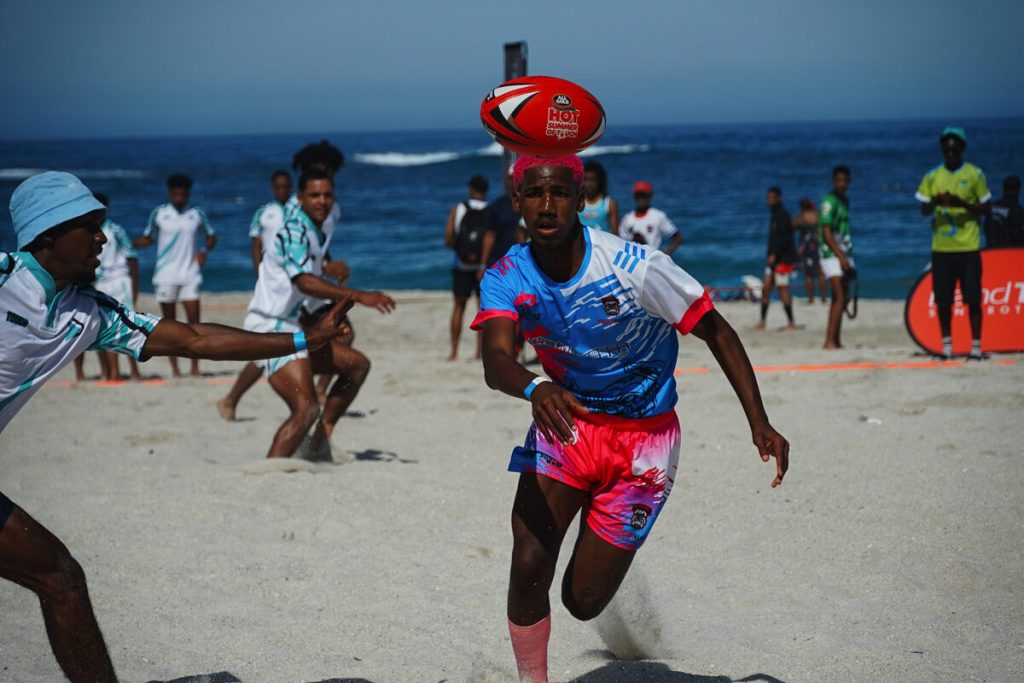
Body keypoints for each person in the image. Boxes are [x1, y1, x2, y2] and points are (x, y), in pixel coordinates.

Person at [0, 171, 355, 683]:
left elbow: (193, 340)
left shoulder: (89, 313)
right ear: (49, 233)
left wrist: (304, 340)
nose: (103, 238)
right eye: (90, 227)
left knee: (61, 579)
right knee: (60, 578)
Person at [471, 155, 789, 683]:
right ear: (517, 201)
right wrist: (535, 385)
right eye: (534, 194)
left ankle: (603, 553)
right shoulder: (507, 274)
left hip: (645, 445)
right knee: (528, 560)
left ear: (581, 200)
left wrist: (759, 421)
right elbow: (495, 360)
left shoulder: (635, 266)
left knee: (582, 600)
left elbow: (716, 330)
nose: (546, 206)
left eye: (559, 194)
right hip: (567, 423)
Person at [240, 168, 395, 458]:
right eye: (314, 195)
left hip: (293, 324)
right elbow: (304, 282)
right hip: (270, 326)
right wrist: (361, 296)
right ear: (300, 198)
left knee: (357, 365)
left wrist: (327, 273)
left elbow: (306, 279)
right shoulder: (294, 230)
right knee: (305, 409)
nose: (322, 201)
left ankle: (320, 440)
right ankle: (270, 471)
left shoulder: (315, 229)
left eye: (327, 195)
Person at [915, 127, 992, 360]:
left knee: (973, 299)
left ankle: (976, 348)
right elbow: (924, 211)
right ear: (942, 149)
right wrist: (936, 201)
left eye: (954, 149)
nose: (950, 153)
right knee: (943, 301)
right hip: (942, 249)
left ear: (962, 149)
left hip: (968, 247)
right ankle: (947, 348)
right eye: (946, 150)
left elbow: (987, 208)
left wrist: (962, 204)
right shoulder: (932, 176)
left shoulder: (975, 174)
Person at [133, 173, 217, 378]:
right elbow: (148, 237)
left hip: (190, 275)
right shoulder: (159, 213)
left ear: (188, 194)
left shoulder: (196, 213)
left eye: (183, 194)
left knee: (195, 325)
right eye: (176, 194)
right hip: (165, 276)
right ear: (169, 193)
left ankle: (195, 368)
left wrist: (204, 252)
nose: (179, 198)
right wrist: (129, 244)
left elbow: (211, 236)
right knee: (169, 327)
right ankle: (175, 369)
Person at [72, 192, 142, 382]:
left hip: (118, 281)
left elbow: (132, 257)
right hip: (97, 283)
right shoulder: (83, 233)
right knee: (99, 327)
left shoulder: (115, 230)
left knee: (129, 325)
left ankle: (131, 372)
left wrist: (134, 288)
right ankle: (108, 372)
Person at [444, 174, 489, 361]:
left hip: (461, 265)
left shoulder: (458, 208)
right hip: (483, 268)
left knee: (458, 308)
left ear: (471, 188)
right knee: (483, 311)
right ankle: (479, 352)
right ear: (486, 190)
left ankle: (454, 352)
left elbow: (448, 237)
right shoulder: (491, 210)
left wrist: (459, 249)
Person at [818, 165, 854, 349]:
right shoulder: (829, 201)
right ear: (833, 181)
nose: (842, 184)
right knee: (839, 296)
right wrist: (840, 256)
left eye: (845, 180)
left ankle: (836, 340)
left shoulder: (844, 200)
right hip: (830, 253)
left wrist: (846, 255)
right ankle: (829, 341)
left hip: (843, 252)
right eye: (838, 180)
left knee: (843, 297)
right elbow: (826, 232)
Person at [754, 187, 797, 330]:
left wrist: (775, 254)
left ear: (779, 198)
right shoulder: (775, 215)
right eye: (768, 198)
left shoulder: (782, 214)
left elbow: (785, 238)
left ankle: (791, 322)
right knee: (766, 289)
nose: (770, 200)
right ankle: (762, 322)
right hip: (773, 260)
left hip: (782, 260)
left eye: (772, 197)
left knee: (783, 290)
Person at [479, 165, 526, 278]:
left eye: (518, 178)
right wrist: (482, 264)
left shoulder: (531, 205)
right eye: (512, 178)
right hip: (500, 261)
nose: (515, 182)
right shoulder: (495, 207)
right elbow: (489, 235)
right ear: (507, 180)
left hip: (524, 262)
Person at [618, 181, 682, 255]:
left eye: (643, 195)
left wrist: (663, 256)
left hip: (651, 258)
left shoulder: (658, 216)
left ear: (650, 195)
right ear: (634, 196)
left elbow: (678, 238)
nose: (640, 198)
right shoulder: (627, 219)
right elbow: (620, 242)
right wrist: (634, 241)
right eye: (638, 195)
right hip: (632, 258)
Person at [249, 169, 293, 272]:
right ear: (273, 188)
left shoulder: (300, 211)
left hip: (296, 270)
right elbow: (256, 246)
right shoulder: (262, 213)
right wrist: (259, 273)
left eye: (285, 187)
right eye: (278, 187)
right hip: (270, 271)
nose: (282, 191)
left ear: (290, 187)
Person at [793, 198, 826, 303]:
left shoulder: (800, 217)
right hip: (817, 246)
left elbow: (790, 227)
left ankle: (810, 299)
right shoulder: (817, 215)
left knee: (808, 275)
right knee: (821, 274)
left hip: (805, 248)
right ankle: (823, 299)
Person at [578, 160, 619, 234]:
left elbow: (615, 233)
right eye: (586, 180)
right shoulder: (577, 203)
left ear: (599, 181)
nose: (589, 184)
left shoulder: (609, 204)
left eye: (593, 180)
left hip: (604, 241)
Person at [984, 175, 1024, 248]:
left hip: (990, 251)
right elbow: (1019, 235)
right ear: (1018, 190)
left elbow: (986, 228)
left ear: (1003, 188)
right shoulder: (1017, 210)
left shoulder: (991, 207)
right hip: (1008, 251)